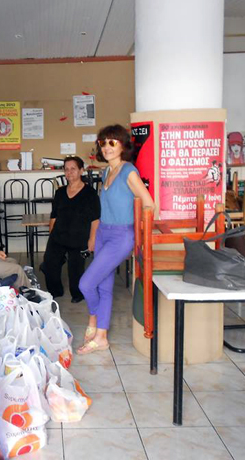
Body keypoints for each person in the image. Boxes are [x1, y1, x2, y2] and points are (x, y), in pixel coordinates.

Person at [77, 125, 154, 355]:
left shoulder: (128, 171)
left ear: (123, 145)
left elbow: (150, 204)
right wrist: (95, 234)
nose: (107, 147)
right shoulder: (106, 172)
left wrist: (137, 235)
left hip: (121, 235)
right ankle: (101, 337)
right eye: (103, 143)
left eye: (112, 142)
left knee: (86, 284)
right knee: (104, 286)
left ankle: (93, 318)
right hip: (103, 232)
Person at [40, 156, 100, 303]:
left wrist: (92, 239)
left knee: (76, 270)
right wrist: (51, 236)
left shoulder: (90, 193)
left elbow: (95, 219)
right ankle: (55, 291)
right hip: (59, 236)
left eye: (73, 169)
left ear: (81, 170)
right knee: (49, 264)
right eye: (66, 169)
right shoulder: (60, 193)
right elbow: (54, 216)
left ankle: (77, 294)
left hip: (79, 238)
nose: (69, 172)